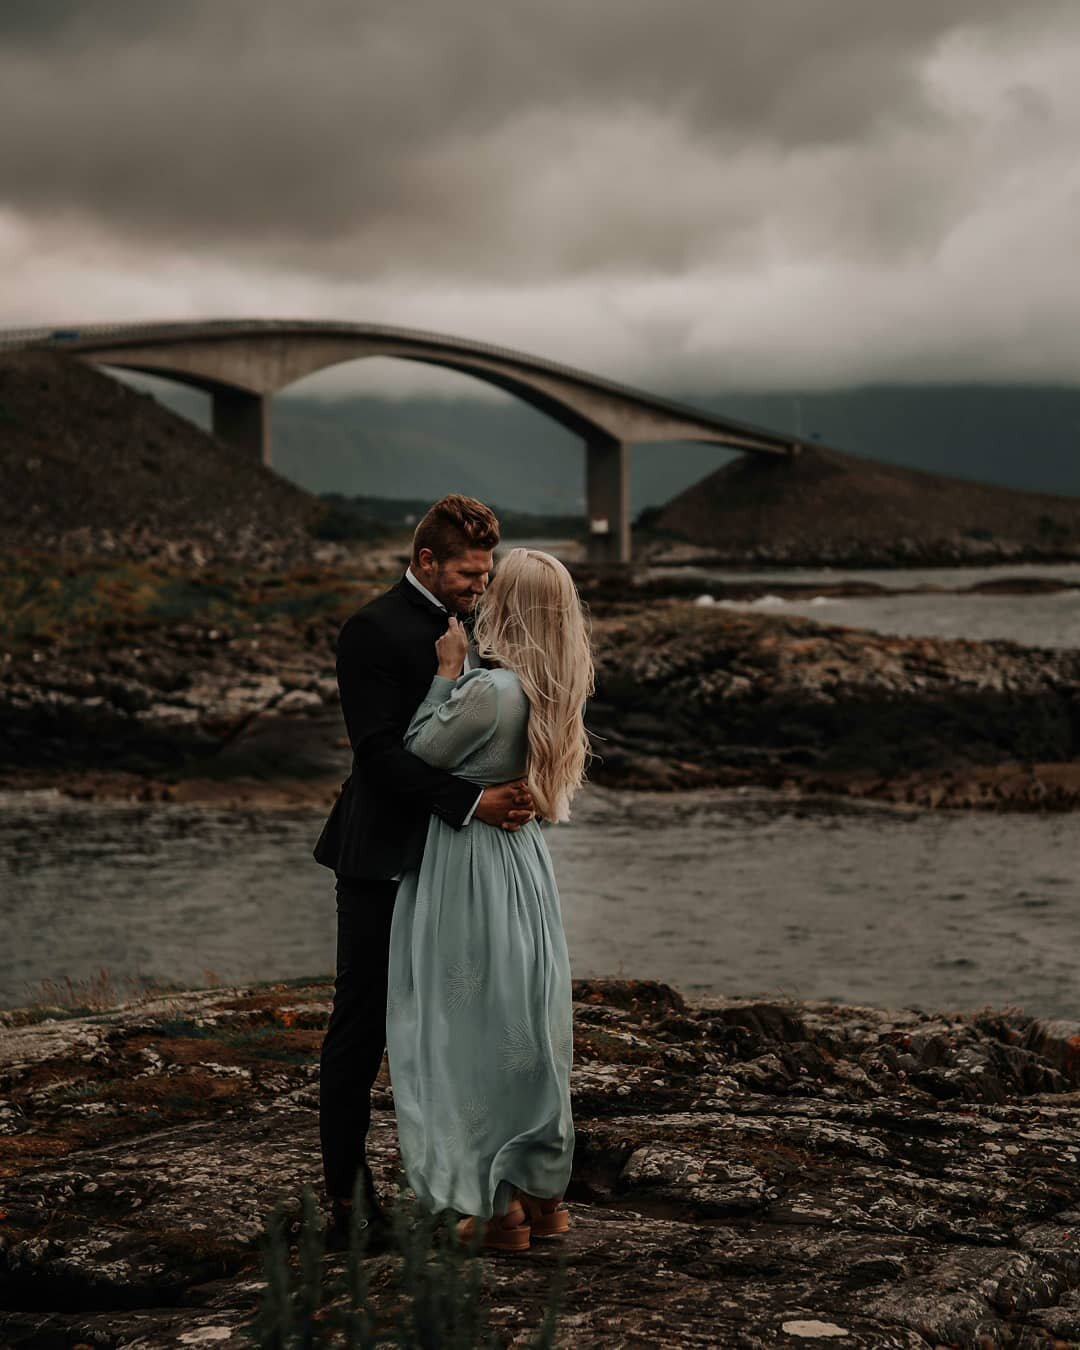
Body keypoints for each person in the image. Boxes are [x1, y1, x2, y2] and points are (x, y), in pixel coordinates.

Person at [313, 495, 535, 1252]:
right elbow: (377, 756)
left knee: (460, 1026)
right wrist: (473, 800)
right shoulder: (371, 630)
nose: (481, 584)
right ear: (427, 561)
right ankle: (345, 1196)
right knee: (364, 1023)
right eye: (470, 572)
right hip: (383, 860)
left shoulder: (478, 626)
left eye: (488, 572)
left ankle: (470, 1190)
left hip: (459, 870)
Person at [386, 547, 593, 1251]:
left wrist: (445, 675)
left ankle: (491, 1203)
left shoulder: (488, 691)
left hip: (466, 867)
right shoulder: (557, 690)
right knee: (524, 1025)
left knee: (460, 1031)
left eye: (492, 587)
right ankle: (543, 1197)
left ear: (510, 608)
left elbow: (415, 750)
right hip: (523, 869)